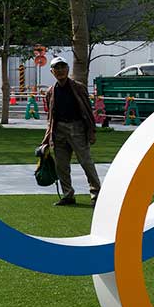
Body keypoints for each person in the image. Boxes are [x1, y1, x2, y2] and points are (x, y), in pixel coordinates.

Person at [41, 59, 101, 207]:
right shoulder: (50, 91)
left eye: (63, 67)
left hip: (77, 128)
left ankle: (96, 194)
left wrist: (91, 131)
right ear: (52, 71)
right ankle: (68, 195)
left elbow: (88, 110)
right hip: (58, 131)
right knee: (61, 166)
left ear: (67, 69)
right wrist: (47, 137)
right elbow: (50, 117)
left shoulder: (78, 88)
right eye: (57, 68)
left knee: (86, 162)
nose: (60, 70)